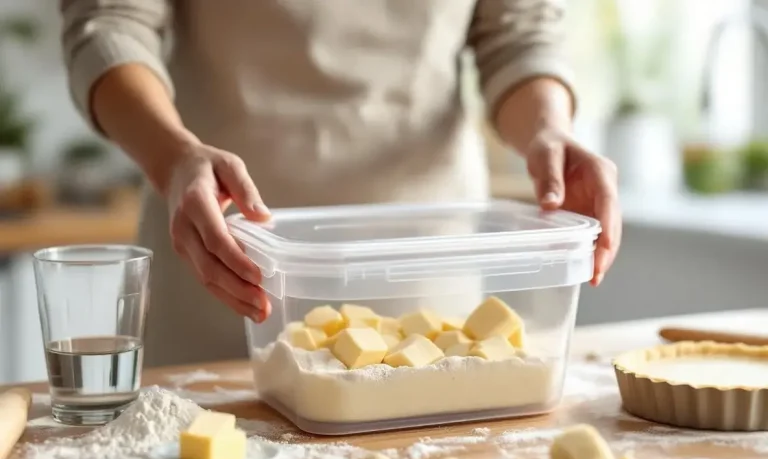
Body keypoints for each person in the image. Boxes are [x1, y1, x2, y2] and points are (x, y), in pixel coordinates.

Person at [60, 0, 621, 368]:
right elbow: (108, 24)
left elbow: (517, 35)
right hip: (226, 263)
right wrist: (173, 155)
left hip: (426, 273)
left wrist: (550, 130)